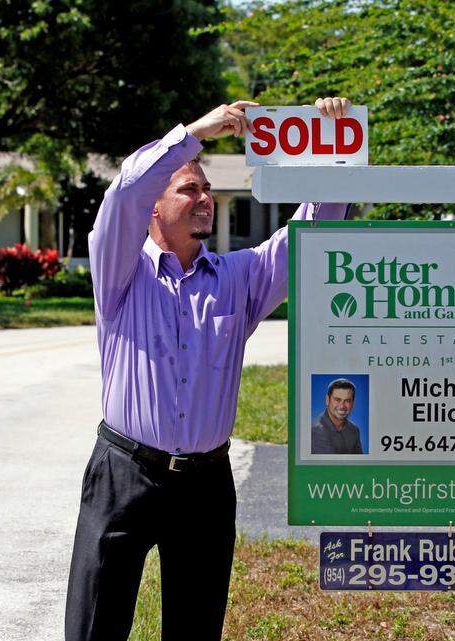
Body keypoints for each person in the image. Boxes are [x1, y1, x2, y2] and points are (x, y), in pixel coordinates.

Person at [63, 97, 353, 641]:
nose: (205, 199)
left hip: (205, 485)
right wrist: (196, 133)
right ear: (155, 207)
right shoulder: (119, 272)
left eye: (208, 191)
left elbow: (307, 240)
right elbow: (124, 192)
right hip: (123, 473)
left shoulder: (239, 277)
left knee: (196, 631)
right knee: (93, 629)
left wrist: (332, 146)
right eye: (189, 188)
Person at [311, 378, 364, 454]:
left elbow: (360, 463)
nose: (342, 406)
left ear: (353, 403)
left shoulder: (354, 430)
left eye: (347, 401)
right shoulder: (314, 431)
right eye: (337, 400)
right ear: (327, 400)